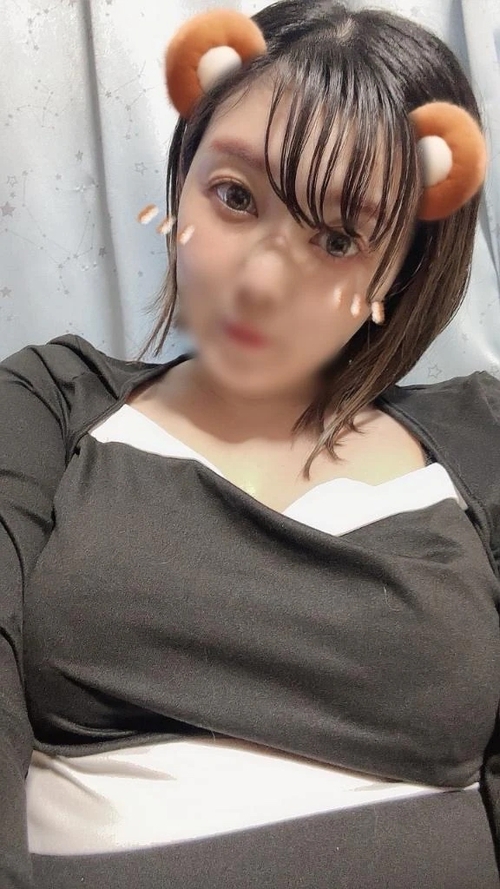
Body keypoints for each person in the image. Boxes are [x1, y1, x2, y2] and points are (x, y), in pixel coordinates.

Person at [1, 2, 499, 887]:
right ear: (182, 175)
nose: (264, 278)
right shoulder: (50, 403)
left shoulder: (480, 438)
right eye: (236, 197)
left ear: (401, 272)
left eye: (337, 238)